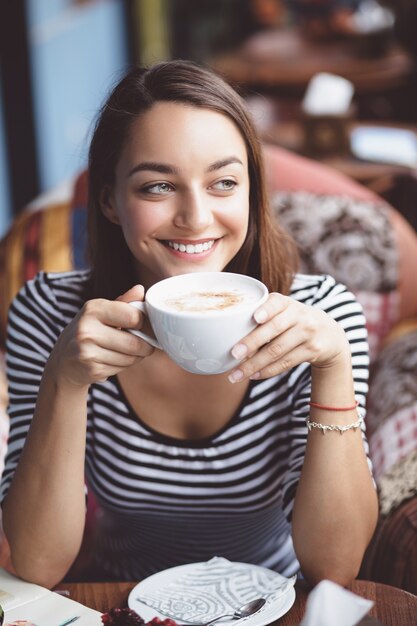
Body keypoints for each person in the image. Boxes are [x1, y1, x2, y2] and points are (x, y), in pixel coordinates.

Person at [0, 60, 378, 589]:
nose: (196, 217)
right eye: (158, 187)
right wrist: (66, 381)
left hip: (275, 599)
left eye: (224, 182)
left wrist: (334, 368)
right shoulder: (50, 314)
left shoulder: (322, 317)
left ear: (251, 192)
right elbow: (38, 565)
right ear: (109, 200)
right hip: (119, 597)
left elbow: (335, 568)